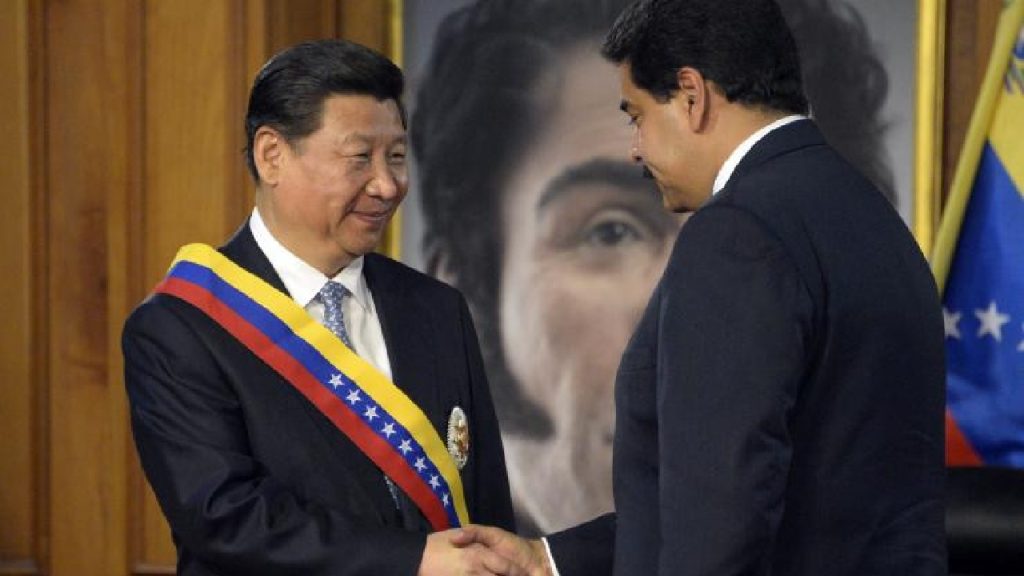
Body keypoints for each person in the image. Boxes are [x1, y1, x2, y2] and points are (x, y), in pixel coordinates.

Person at [456, 0, 947, 574]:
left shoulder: (737, 232)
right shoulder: (872, 220)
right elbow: (781, 493)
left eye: (636, 115)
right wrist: (548, 558)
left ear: (692, 96)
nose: (636, 147)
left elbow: (722, 517)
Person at [122, 39, 520, 575]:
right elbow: (225, 517)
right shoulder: (182, 327)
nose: (387, 184)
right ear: (272, 155)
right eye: (359, 158)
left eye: (397, 157)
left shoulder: (435, 308)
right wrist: (412, 560)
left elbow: (485, 505)